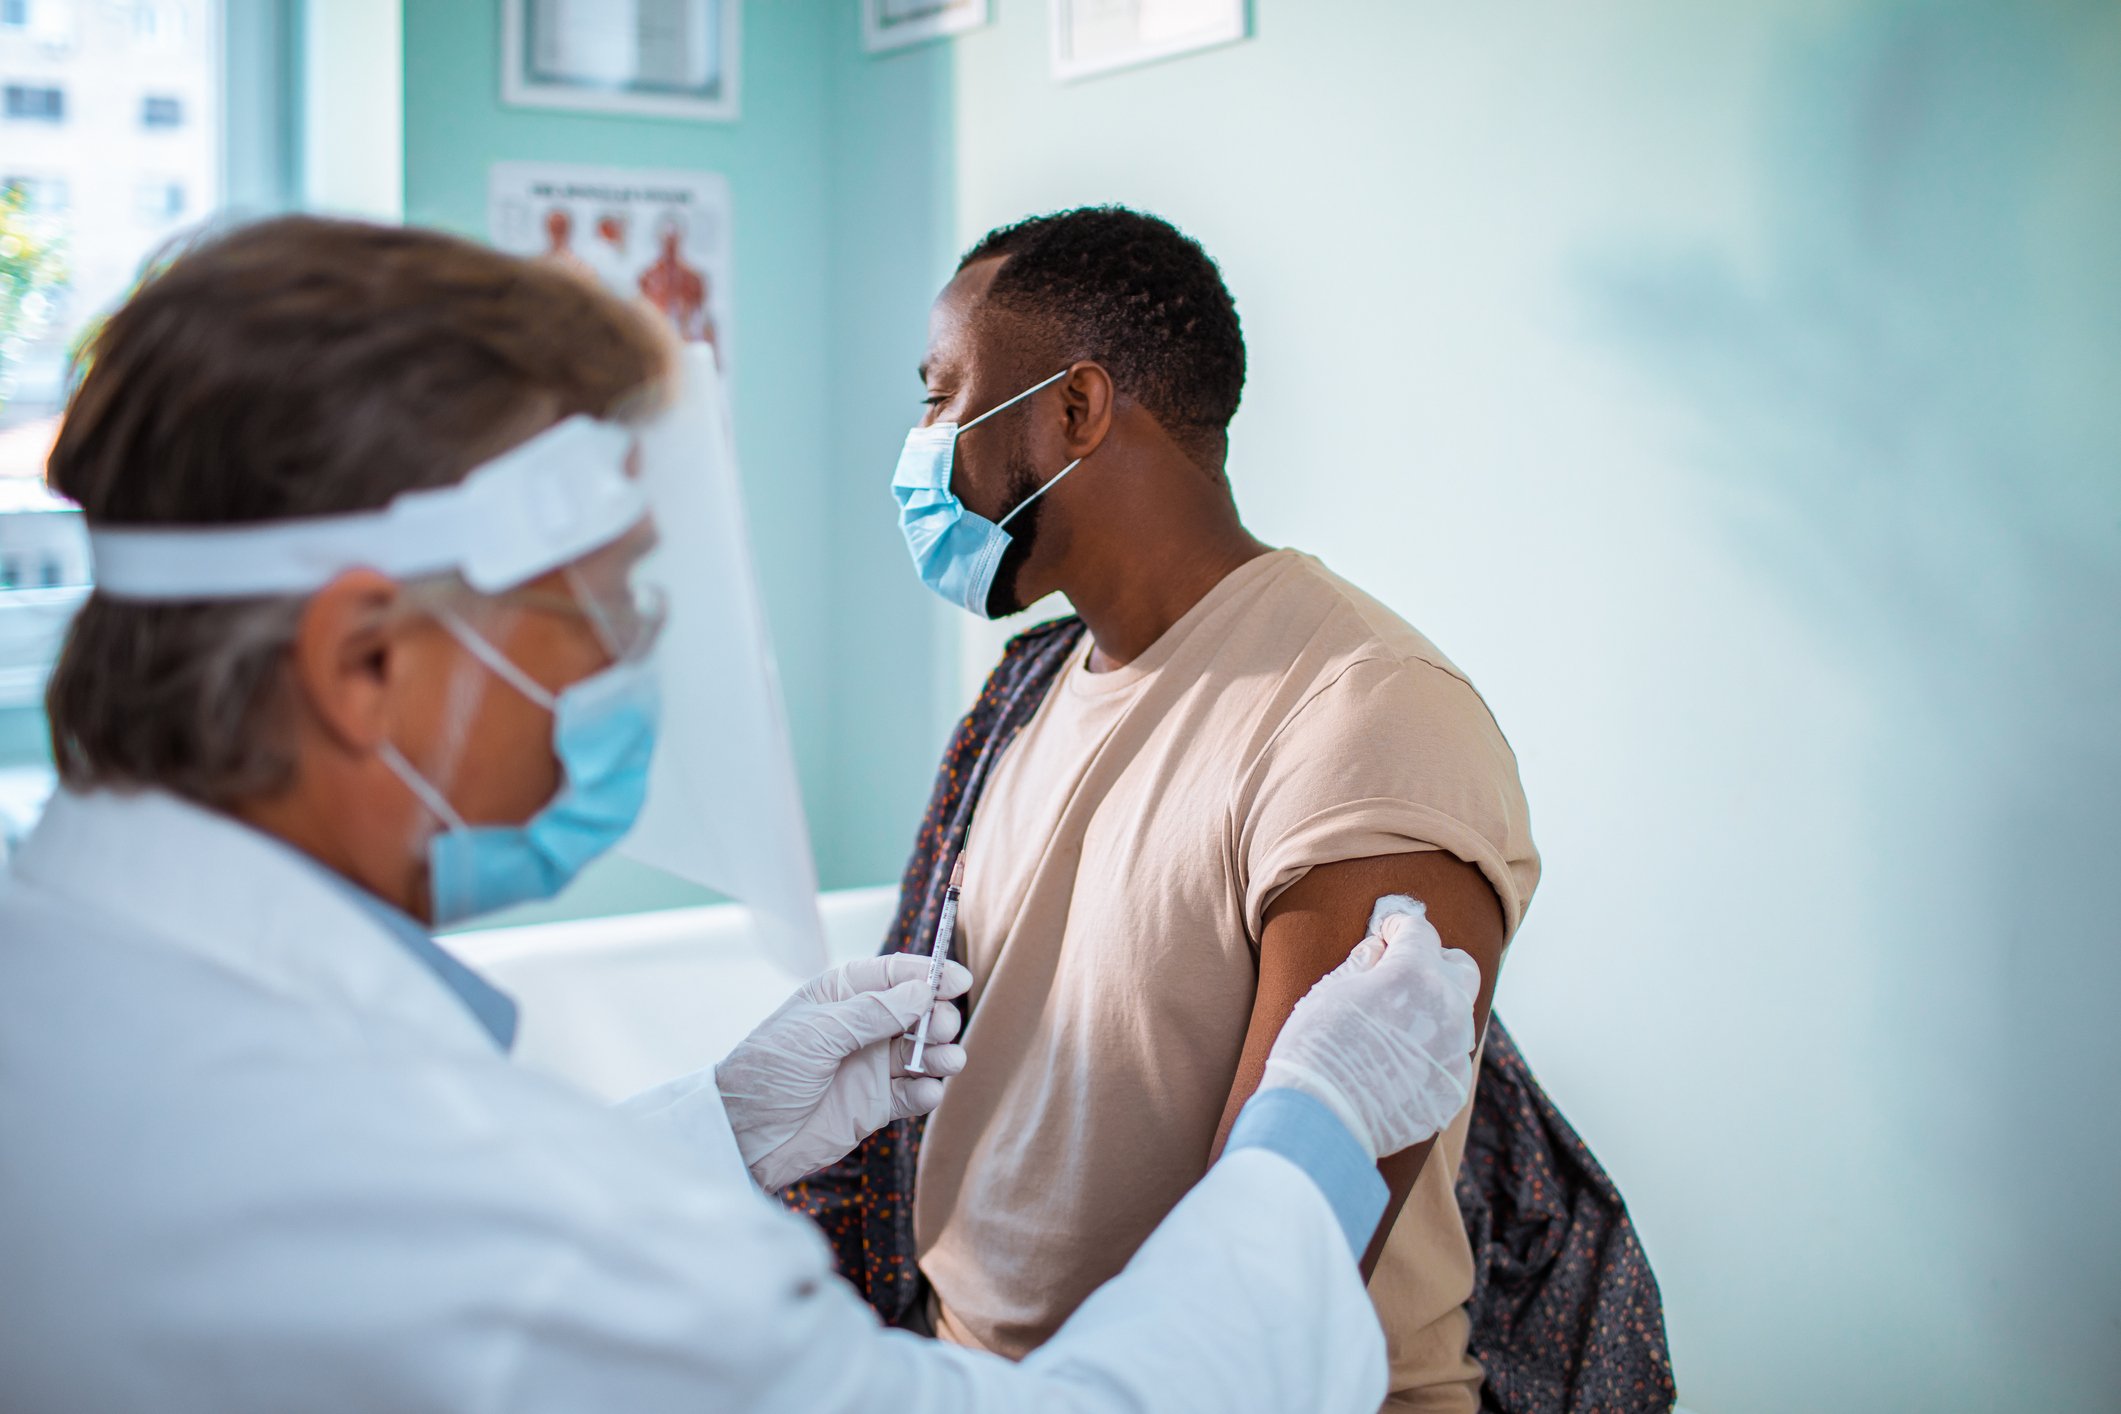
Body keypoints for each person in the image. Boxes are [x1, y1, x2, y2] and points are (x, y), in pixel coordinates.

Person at [0, 215, 1485, 1413]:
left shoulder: (72, 984)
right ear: (362, 662)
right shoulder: (456, 1198)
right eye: (590, 602)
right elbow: (488, 1249)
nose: (625, 655)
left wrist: (713, 1125)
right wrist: (1321, 1130)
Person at [884, 206, 1541, 1411]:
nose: (923, 446)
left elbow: (1285, 1272)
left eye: (941, 396)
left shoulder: (1365, 713)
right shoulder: (1033, 687)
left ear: (1074, 411)